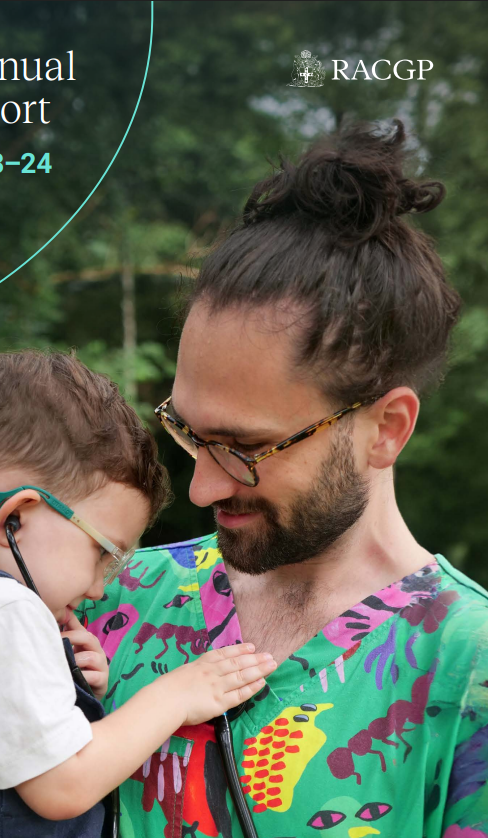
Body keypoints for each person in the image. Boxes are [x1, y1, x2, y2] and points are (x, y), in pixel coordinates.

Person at [79, 121, 488, 838]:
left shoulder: (467, 669)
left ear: (387, 429)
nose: (200, 489)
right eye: (188, 432)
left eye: (245, 446)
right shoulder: (110, 598)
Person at [0, 350, 277, 838]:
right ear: (16, 519)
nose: (99, 587)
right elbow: (64, 785)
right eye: (102, 553)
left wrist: (68, 690)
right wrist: (178, 695)